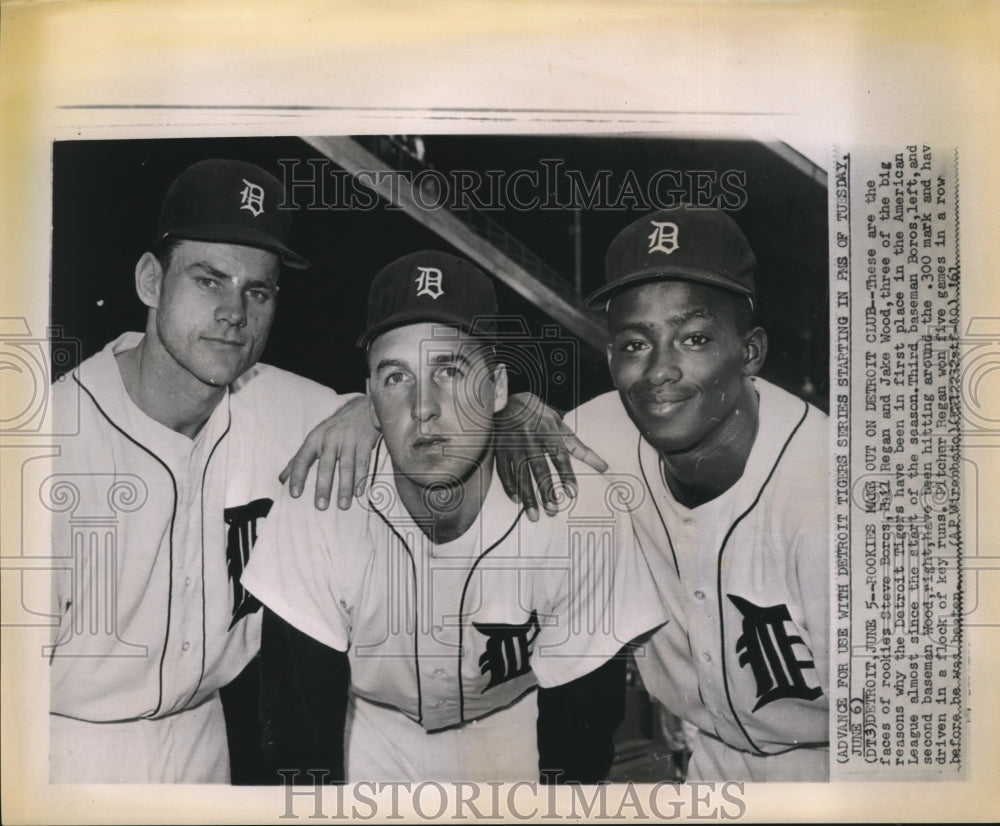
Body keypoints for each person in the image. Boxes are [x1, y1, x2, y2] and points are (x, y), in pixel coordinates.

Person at [47, 159, 589, 784]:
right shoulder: (47, 444)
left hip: (204, 738)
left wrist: (513, 410)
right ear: (150, 280)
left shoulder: (292, 412)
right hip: (62, 745)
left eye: (258, 290)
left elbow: (420, 415)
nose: (234, 311)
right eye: (208, 280)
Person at [241, 251, 667, 782]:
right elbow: (298, 726)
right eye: (397, 377)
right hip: (369, 731)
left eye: (451, 371)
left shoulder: (578, 509)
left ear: (498, 390)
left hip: (513, 726)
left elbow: (582, 731)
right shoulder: (321, 497)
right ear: (370, 403)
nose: (425, 406)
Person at [571, 206, 830, 781]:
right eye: (635, 344)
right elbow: (467, 438)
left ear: (750, 351)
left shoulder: (840, 496)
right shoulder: (597, 438)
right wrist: (358, 414)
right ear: (612, 359)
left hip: (845, 769)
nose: (660, 371)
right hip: (709, 764)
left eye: (694, 338)